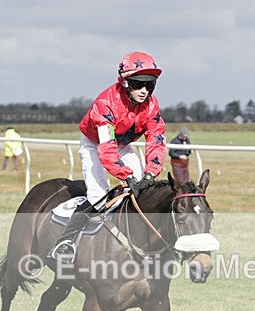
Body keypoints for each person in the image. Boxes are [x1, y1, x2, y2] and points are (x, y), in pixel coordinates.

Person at [49, 51, 167, 263]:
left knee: (143, 191)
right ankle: (65, 242)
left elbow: (156, 139)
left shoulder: (151, 104)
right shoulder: (105, 103)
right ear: (125, 82)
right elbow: (106, 149)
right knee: (99, 195)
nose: (144, 91)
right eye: (138, 84)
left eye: (150, 85)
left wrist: (151, 173)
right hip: (95, 145)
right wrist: (126, 176)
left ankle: (141, 245)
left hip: (122, 145)